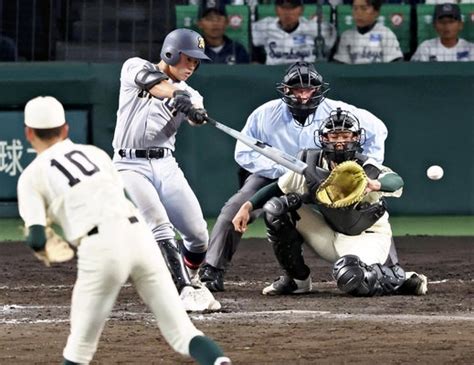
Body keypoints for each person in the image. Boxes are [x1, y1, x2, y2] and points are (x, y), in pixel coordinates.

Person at [17, 96, 232, 365]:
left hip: (101, 247)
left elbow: (37, 238)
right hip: (140, 236)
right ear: (65, 129)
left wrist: (41, 244)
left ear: (28, 133)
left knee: (80, 348)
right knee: (183, 333)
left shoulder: (31, 176)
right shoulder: (95, 154)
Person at [199, 61, 388, 292]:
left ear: (318, 90)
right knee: (237, 207)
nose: (303, 95)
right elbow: (244, 152)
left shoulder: (339, 111)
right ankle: (212, 270)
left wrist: (367, 169)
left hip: (328, 177)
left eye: (309, 89)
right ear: (285, 90)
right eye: (297, 89)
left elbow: (378, 129)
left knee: (369, 209)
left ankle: (388, 268)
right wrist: (283, 172)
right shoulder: (264, 114)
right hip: (274, 175)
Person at [232, 108, 428, 297]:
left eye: (345, 136)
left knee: (354, 279)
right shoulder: (311, 164)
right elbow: (278, 187)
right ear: (324, 139)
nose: (340, 142)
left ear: (355, 138)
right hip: (327, 233)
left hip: (365, 237)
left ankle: (399, 279)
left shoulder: (368, 168)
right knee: (276, 208)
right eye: (334, 137)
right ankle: (297, 280)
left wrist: (376, 184)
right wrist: (248, 206)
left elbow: (396, 181)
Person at [111, 28, 219, 310]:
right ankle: (182, 290)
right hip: (129, 164)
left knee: (197, 235)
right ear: (170, 52)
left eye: (196, 62)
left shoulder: (192, 94)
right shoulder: (134, 66)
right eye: (188, 59)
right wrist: (176, 96)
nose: (192, 66)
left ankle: (191, 279)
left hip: (165, 163)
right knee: (159, 225)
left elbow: (195, 118)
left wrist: (194, 110)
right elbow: (154, 84)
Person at [251, 0, 337, 64]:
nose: (288, 12)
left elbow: (330, 47)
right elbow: (254, 49)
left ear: (301, 10)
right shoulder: (264, 26)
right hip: (273, 75)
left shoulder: (314, 28)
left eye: (292, 8)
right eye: (283, 8)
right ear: (276, 10)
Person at [332, 0, 403, 64]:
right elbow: (342, 68)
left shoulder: (386, 34)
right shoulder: (346, 36)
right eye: (355, 8)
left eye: (364, 8)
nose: (358, 13)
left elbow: (395, 64)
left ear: (376, 12)